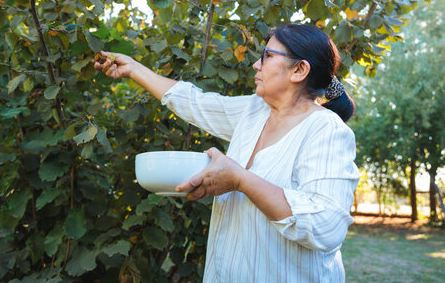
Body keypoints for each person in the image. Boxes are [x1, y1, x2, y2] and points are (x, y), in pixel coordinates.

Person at [92, 23, 359, 283]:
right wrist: (134, 69)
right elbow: (195, 103)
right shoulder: (254, 112)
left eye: (266, 56)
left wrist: (240, 180)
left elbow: (327, 227)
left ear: (299, 69)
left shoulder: (326, 131)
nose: (256, 64)